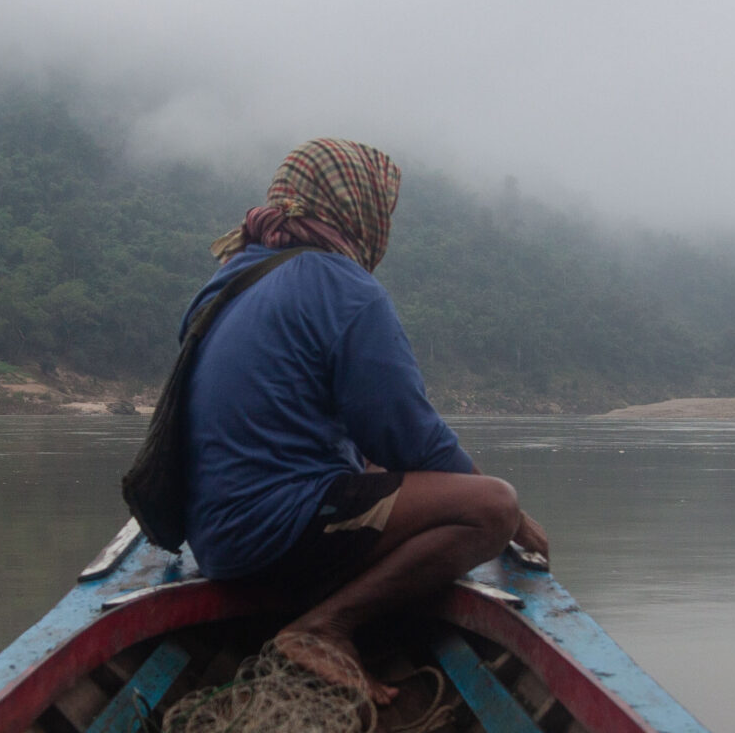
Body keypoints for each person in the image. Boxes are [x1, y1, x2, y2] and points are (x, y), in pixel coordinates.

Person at [180, 138, 547, 696]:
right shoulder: (342, 286)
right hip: (266, 533)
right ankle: (325, 628)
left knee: (375, 468)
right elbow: (409, 437)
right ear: (359, 207)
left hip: (211, 536)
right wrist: (517, 521)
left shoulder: (229, 279)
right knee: (491, 507)